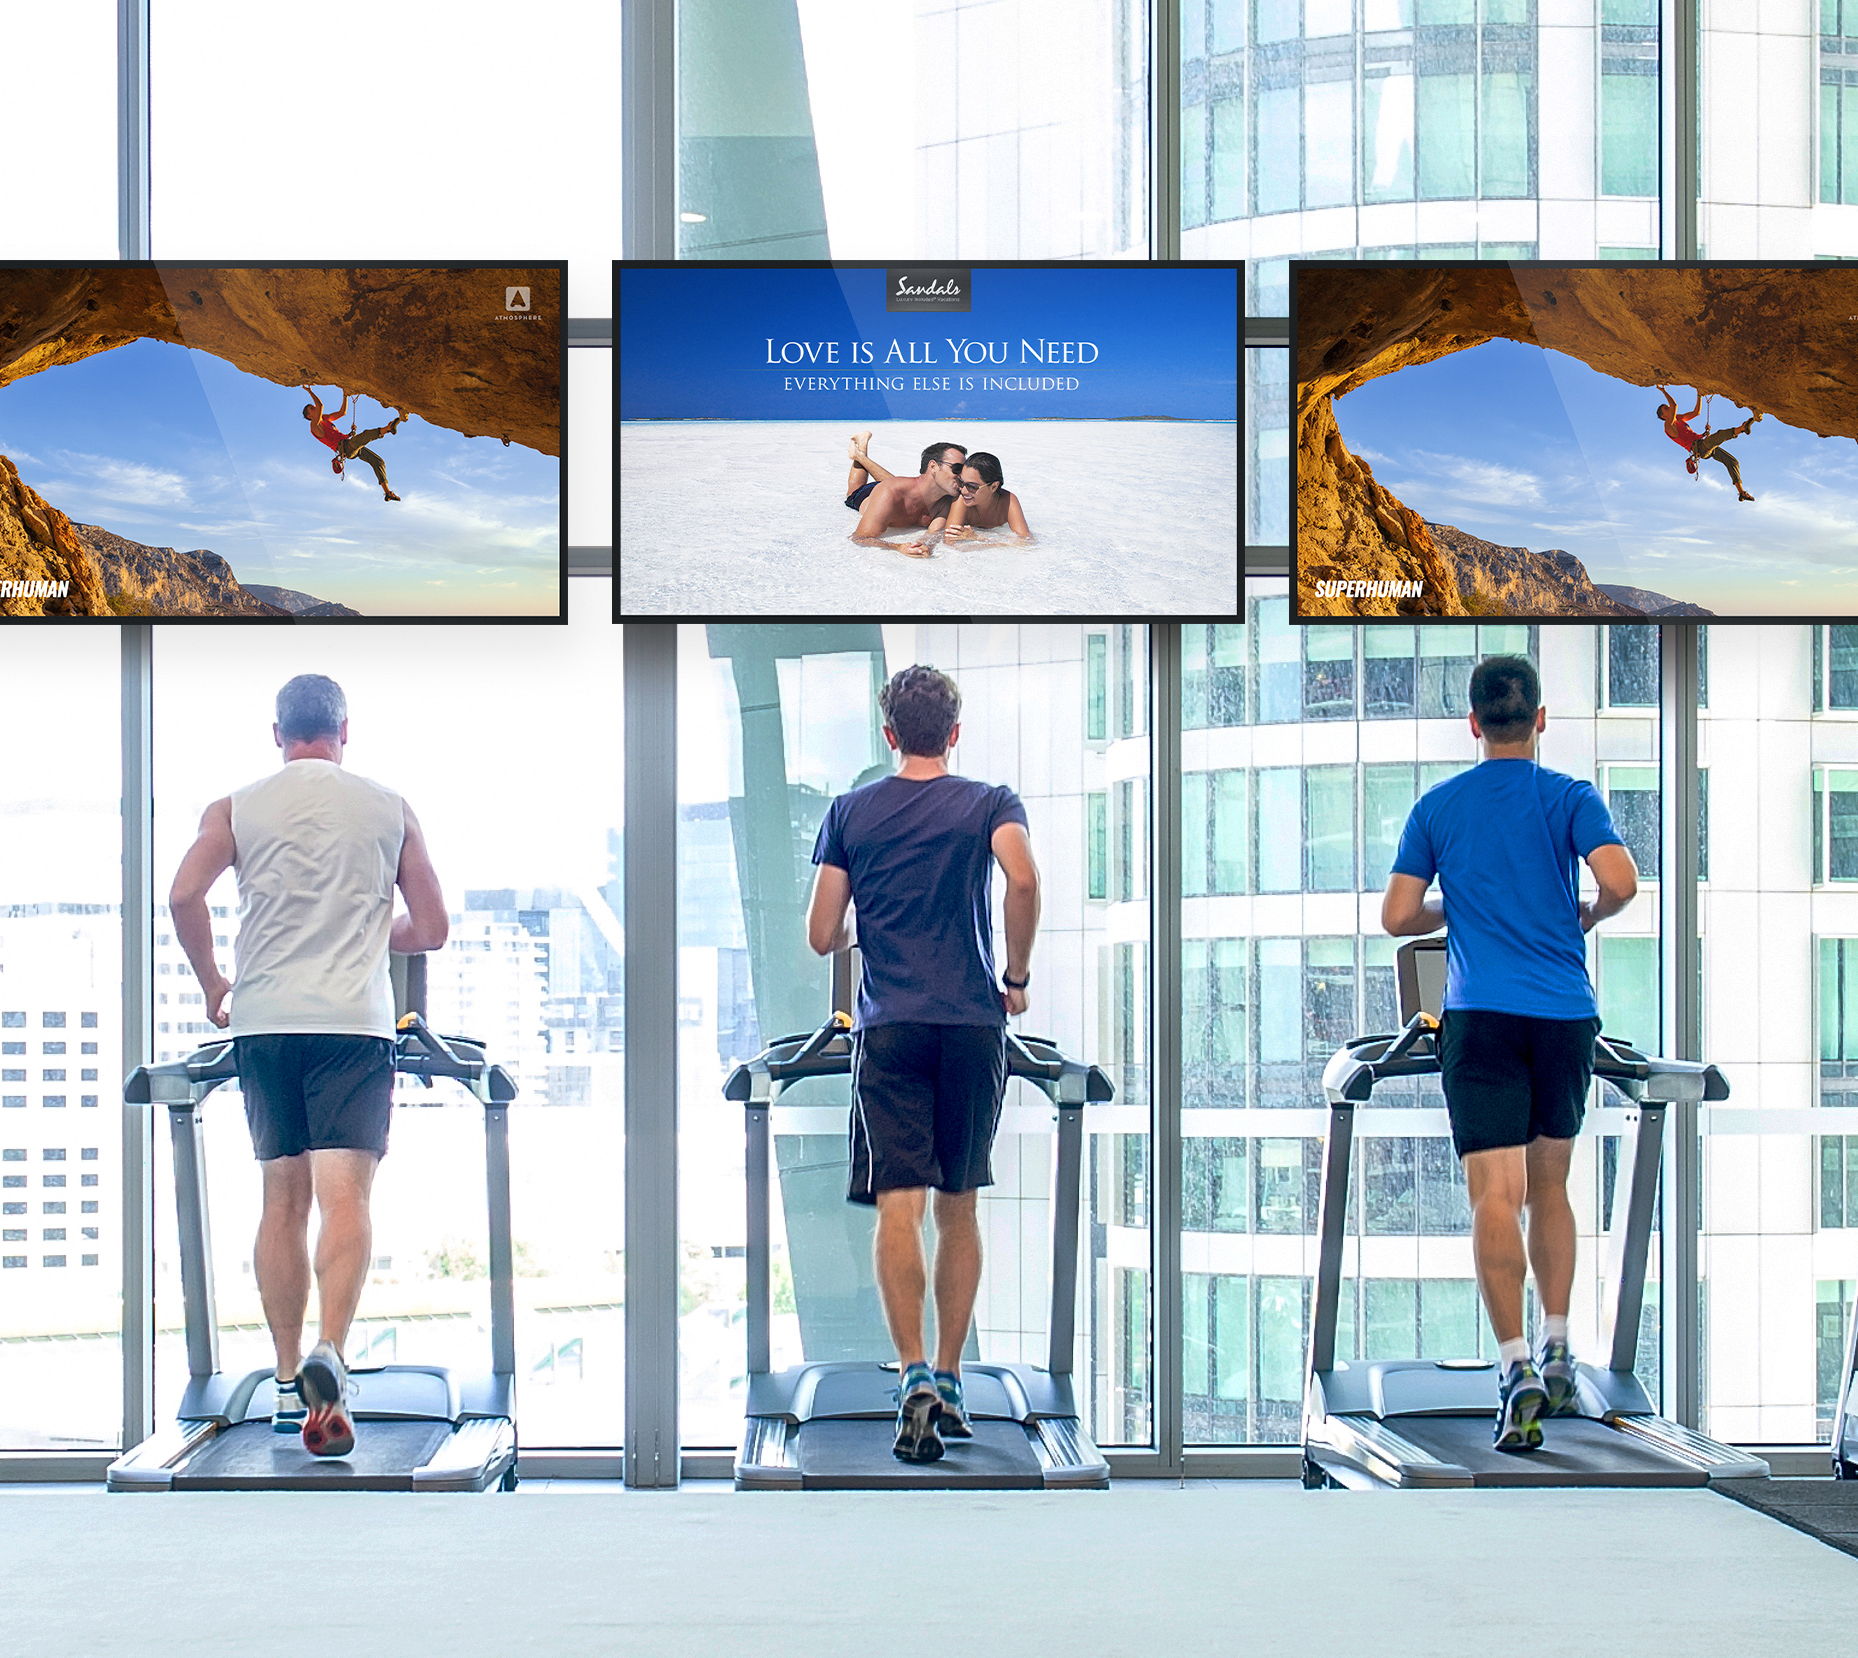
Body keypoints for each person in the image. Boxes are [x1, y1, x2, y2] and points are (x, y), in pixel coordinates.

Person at [168, 674, 449, 1458]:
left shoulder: (235, 806)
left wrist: (215, 985)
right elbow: (430, 926)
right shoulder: (389, 808)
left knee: (281, 1201)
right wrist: (369, 932)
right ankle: (333, 1349)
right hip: (352, 1029)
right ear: (344, 731)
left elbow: (185, 894)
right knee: (345, 1196)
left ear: (277, 734)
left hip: (265, 1025)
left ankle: (292, 1378)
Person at [1380, 655, 1638, 1453]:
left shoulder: (1439, 806)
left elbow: (1396, 916)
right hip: (1563, 1014)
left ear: (1473, 722)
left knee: (1496, 1194)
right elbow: (1622, 881)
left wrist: (1459, 901)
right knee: (1550, 1184)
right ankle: (1560, 1343)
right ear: (1541, 719)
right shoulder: (1569, 796)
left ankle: (1517, 1366)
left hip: (1481, 1016)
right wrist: (1580, 920)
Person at [804, 665, 1041, 1462]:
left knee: (898, 1206)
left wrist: (856, 931)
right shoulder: (990, 803)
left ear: (890, 734)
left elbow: (821, 932)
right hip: (973, 1025)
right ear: (956, 731)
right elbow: (1024, 878)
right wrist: (1015, 977)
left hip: (891, 1026)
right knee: (960, 1205)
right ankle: (951, 1371)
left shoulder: (850, 812)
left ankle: (912, 1377)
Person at [842, 435, 964, 558]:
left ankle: (860, 455)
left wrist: (921, 547)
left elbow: (932, 534)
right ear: (933, 467)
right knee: (853, 492)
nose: (962, 476)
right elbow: (859, 537)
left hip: (900, 487)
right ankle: (859, 454)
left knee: (895, 484)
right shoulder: (889, 494)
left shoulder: (946, 502)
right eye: (957, 468)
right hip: (868, 494)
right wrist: (897, 547)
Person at [303, 386, 409, 503]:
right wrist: (309, 391)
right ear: (309, 416)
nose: (315, 408)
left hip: (349, 444)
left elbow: (342, 412)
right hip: (345, 449)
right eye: (312, 408)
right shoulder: (314, 426)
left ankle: (388, 492)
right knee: (365, 436)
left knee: (378, 461)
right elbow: (320, 405)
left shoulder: (325, 418)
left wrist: (345, 395)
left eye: (313, 407)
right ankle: (388, 428)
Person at [1654, 384, 1757, 501]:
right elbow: (1674, 405)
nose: (1670, 408)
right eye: (1666, 409)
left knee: (1732, 461)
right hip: (1699, 448)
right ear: (1663, 416)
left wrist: (1699, 395)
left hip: (1702, 443)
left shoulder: (1679, 419)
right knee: (1719, 435)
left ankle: (1741, 492)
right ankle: (1742, 428)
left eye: (1668, 407)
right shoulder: (1668, 426)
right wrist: (1664, 391)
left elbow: (1696, 412)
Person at [941, 452, 1033, 546]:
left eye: (972, 486)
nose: (963, 491)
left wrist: (977, 538)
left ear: (993, 487)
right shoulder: (961, 500)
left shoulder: (1008, 501)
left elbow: (1027, 541)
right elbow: (949, 541)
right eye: (961, 482)